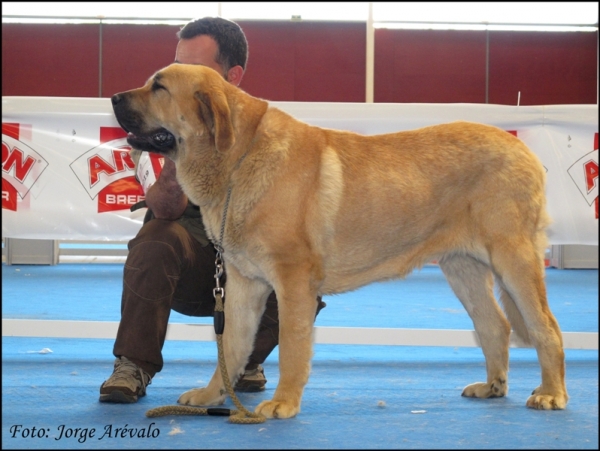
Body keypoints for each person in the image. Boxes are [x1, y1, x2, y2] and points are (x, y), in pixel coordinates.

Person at [100, 17, 326, 404]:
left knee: (300, 268)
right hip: (191, 269)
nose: (181, 74)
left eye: (197, 68)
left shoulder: (271, 136)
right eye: (177, 64)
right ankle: (133, 365)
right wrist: (177, 148)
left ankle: (244, 363)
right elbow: (167, 208)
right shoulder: (157, 129)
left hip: (249, 270)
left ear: (232, 76)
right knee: (157, 239)